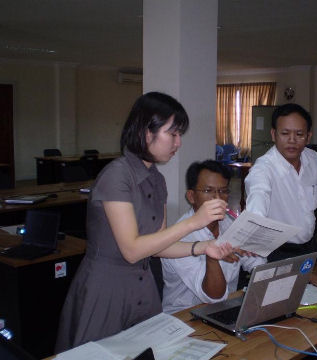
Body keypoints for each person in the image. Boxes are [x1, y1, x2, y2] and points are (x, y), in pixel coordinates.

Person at [55, 92, 233, 352]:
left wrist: (203, 247)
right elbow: (132, 249)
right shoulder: (116, 176)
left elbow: (159, 246)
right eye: (172, 134)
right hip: (106, 290)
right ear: (146, 131)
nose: (178, 142)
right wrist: (194, 222)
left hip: (143, 288)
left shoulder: (156, 179)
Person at [245, 103, 317, 262]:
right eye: (285, 133)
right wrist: (254, 229)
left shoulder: (313, 159)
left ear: (308, 136)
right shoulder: (263, 169)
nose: (292, 140)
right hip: (278, 251)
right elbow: (258, 198)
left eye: (299, 134)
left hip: (309, 245)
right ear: (274, 134)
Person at [161, 160, 266, 314]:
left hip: (226, 308)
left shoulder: (229, 223)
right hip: (184, 316)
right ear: (191, 196)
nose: (217, 198)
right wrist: (212, 257)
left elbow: (256, 262)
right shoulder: (179, 238)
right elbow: (212, 297)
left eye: (223, 191)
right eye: (208, 191)